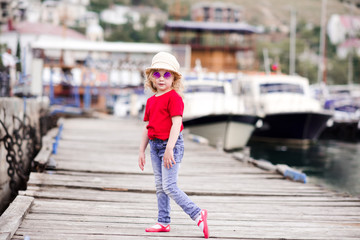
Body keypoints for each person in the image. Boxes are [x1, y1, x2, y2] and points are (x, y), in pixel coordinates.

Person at [138, 52, 209, 238]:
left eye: (167, 74)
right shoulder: (151, 101)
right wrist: (141, 150)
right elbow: (148, 126)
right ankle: (163, 221)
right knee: (160, 186)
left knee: (169, 186)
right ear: (151, 78)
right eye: (157, 74)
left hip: (171, 145)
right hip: (154, 146)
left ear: (174, 78)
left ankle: (197, 213)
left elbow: (176, 125)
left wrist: (169, 148)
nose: (161, 78)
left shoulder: (174, 98)